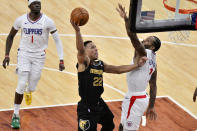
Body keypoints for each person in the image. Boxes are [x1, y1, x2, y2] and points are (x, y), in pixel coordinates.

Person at [71, 19, 147, 130]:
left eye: (96, 47)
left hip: (98, 103)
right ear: (85, 51)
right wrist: (77, 31)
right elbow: (80, 50)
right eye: (92, 47)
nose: (96, 49)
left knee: (109, 124)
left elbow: (118, 69)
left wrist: (137, 65)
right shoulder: (84, 64)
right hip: (86, 108)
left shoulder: (99, 64)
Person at [2, 0, 65, 129]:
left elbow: (57, 40)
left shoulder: (48, 21)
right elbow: (10, 36)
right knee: (21, 83)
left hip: (39, 56)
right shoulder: (20, 20)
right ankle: (15, 114)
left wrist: (61, 59)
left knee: (32, 86)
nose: (37, 4)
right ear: (29, 6)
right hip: (24, 54)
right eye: (34, 3)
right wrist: (7, 55)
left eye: (39, 3)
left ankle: (28, 91)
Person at [116, 3, 161, 131]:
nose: (144, 41)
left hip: (136, 98)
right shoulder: (154, 61)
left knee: (128, 129)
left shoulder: (143, 53)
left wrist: (126, 20)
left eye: (147, 41)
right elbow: (153, 85)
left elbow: (133, 37)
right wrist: (151, 106)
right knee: (122, 125)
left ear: (152, 47)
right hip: (137, 96)